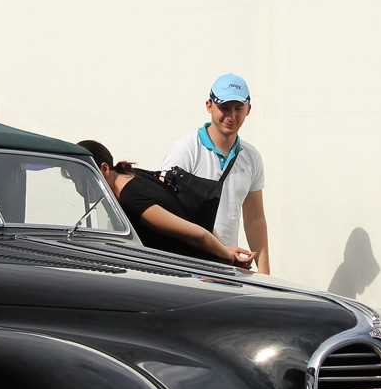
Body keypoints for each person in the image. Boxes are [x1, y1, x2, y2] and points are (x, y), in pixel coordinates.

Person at [79, 140, 257, 268]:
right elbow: (192, 217)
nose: (78, 188)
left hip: (201, 274)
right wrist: (224, 248)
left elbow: (198, 234)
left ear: (104, 168)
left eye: (81, 179)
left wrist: (229, 256)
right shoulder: (135, 175)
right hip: (205, 266)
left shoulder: (131, 199)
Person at [161, 73, 269, 274]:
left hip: (227, 267)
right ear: (209, 106)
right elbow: (164, 211)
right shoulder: (185, 150)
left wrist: (264, 273)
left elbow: (255, 218)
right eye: (224, 107)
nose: (231, 116)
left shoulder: (251, 156)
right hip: (185, 267)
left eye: (238, 108)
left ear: (248, 110)